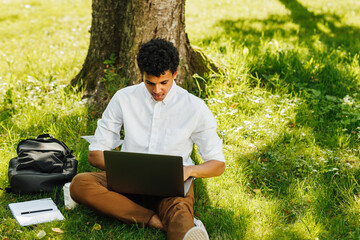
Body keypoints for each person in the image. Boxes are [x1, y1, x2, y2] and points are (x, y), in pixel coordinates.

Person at [70, 38, 225, 240]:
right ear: (141, 75)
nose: (157, 90)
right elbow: (95, 154)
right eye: (150, 83)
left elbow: (217, 164)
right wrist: (128, 171)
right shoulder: (124, 98)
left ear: (175, 73)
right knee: (80, 184)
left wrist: (188, 171)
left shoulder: (194, 107)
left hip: (170, 186)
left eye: (164, 83)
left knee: (179, 211)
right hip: (126, 180)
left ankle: (179, 227)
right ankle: (155, 221)